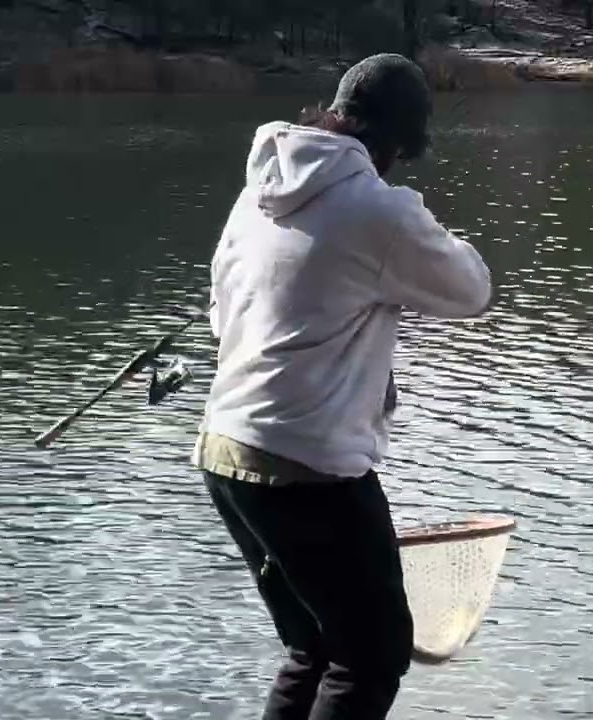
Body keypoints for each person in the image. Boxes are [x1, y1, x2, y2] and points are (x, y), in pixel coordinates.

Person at [192, 53, 494, 720]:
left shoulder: (258, 190)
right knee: (371, 656)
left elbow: (219, 315)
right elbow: (472, 290)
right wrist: (412, 214)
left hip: (224, 451)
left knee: (314, 646)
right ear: (396, 143)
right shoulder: (376, 209)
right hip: (307, 467)